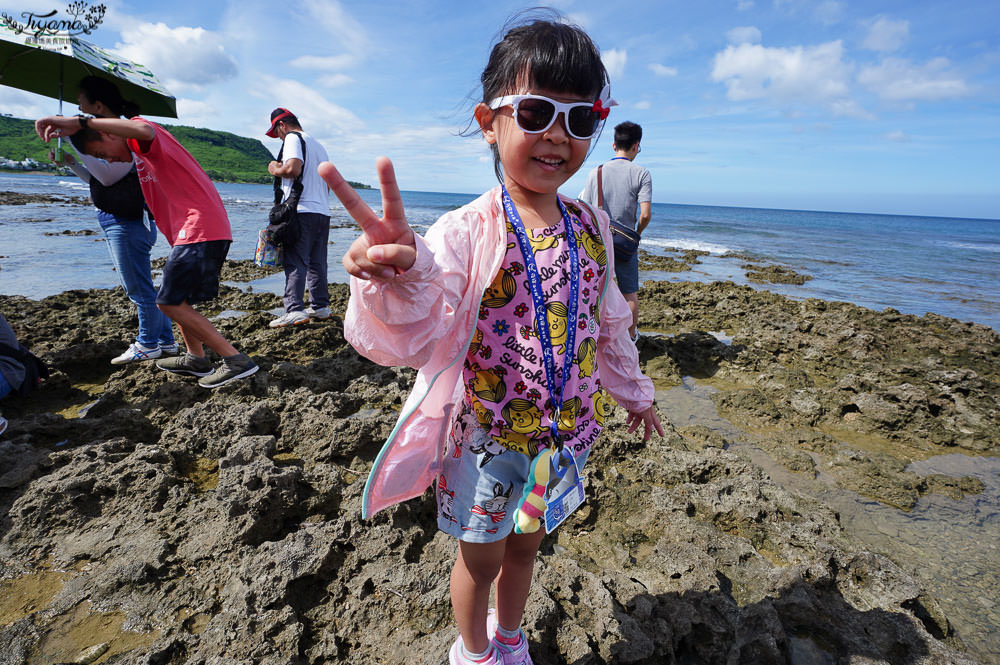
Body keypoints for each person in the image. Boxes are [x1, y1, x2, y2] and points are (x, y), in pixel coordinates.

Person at [319, 16, 664, 665]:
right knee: (479, 557)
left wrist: (636, 394)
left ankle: (511, 638)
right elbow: (423, 315)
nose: (558, 135)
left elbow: (609, 322)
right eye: (536, 112)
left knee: (527, 544)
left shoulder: (591, 226)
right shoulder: (466, 229)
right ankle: (473, 651)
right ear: (490, 122)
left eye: (580, 118)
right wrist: (395, 273)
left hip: (558, 437)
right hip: (486, 443)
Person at [34, 113, 259, 389]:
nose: (110, 160)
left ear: (110, 134)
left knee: (168, 303)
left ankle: (236, 360)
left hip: (200, 227)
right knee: (177, 298)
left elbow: (142, 128)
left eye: (102, 153)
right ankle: (196, 359)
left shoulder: (141, 135)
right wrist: (72, 141)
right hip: (194, 229)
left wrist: (83, 123)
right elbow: (106, 177)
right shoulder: (135, 153)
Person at [51, 76, 177, 364]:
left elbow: (110, 175)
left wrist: (72, 135)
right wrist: (72, 163)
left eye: (81, 100)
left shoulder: (125, 136)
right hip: (117, 219)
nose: (77, 106)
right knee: (140, 284)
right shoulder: (110, 136)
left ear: (97, 104)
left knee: (138, 287)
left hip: (128, 221)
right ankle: (165, 340)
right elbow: (100, 179)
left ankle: (148, 342)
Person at [580, 121, 652, 341]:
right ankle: (630, 337)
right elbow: (646, 214)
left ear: (614, 146)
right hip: (625, 245)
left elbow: (585, 208)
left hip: (598, 241)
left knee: (597, 291)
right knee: (629, 292)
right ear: (636, 146)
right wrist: (635, 234)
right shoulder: (642, 174)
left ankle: (596, 336)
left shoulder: (596, 172)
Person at [264, 108, 333, 327]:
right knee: (317, 262)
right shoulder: (319, 146)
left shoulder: (293, 138)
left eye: (278, 133)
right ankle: (320, 306)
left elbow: (293, 169)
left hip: (301, 210)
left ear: (282, 126)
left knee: (295, 260)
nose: (280, 138)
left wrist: (274, 168)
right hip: (322, 211)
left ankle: (294, 309)